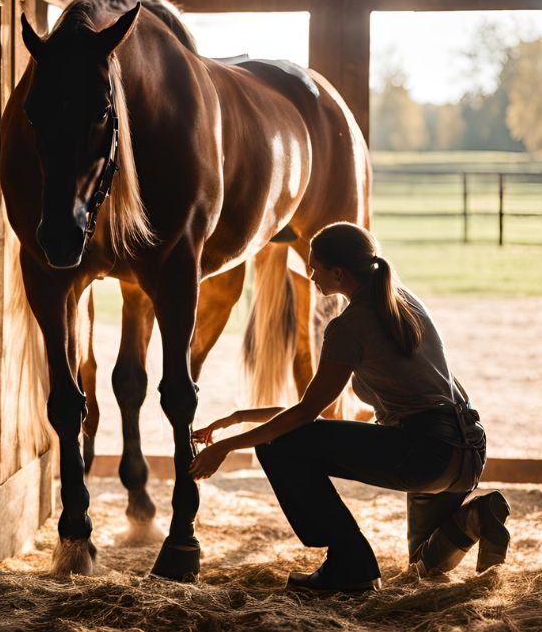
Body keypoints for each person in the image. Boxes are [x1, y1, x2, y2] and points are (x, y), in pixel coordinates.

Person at [189, 221, 510, 594]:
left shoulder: (349, 327)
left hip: (426, 453)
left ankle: (349, 562)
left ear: (337, 273)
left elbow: (306, 416)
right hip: (465, 449)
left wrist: (227, 446)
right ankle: (478, 516)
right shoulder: (403, 302)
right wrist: (239, 418)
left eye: (314, 267)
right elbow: (322, 415)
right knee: (423, 564)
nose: (310, 276)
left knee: (279, 446)